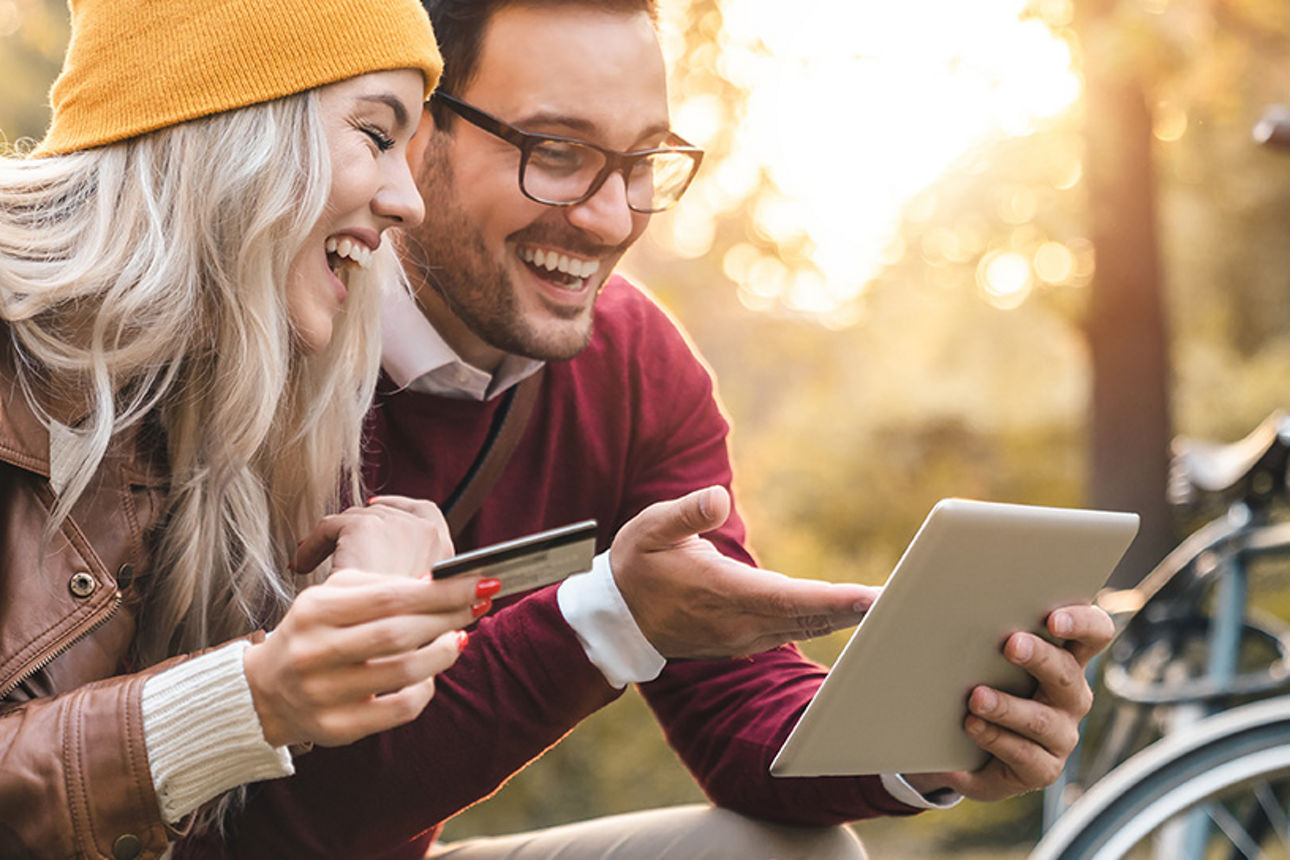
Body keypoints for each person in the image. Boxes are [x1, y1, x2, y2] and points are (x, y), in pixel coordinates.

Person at [171, 1, 1116, 857]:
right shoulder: (273, 321)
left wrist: (936, 737)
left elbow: (734, 700)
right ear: (417, 135)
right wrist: (604, 620)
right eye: (557, 152)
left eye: (642, 161)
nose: (611, 215)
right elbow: (263, 814)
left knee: (794, 858)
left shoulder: (637, 366)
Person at [0, 0, 490, 856]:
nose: (408, 200)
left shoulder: (199, 418)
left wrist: (347, 625)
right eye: (377, 134)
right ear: (228, 125)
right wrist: (248, 700)